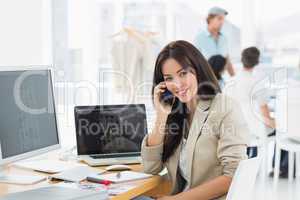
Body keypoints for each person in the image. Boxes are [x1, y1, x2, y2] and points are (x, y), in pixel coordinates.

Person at [140, 40, 249, 200]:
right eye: (169, 78)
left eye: (183, 73)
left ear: (197, 70)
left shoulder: (224, 107)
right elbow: (151, 167)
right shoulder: (175, 112)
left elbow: (233, 176)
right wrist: (161, 116)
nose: (177, 84)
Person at [194, 7, 235, 77]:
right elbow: (195, 62)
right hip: (205, 79)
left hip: (220, 80)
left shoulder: (224, 38)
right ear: (210, 19)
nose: (222, 22)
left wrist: (234, 79)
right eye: (219, 18)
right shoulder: (199, 38)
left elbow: (227, 60)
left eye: (223, 19)